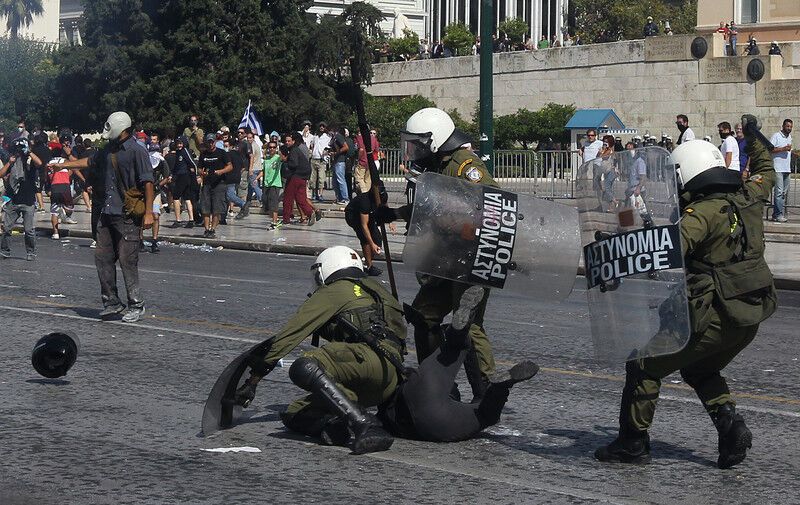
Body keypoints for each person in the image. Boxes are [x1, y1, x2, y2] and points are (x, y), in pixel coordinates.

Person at [595, 115, 778, 469]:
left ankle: (632, 443)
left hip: (712, 314)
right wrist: (754, 136)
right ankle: (730, 428)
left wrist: (617, 251)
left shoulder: (701, 213)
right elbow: (767, 170)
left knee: (644, 365)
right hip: (750, 314)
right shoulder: (749, 196)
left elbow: (666, 247)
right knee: (699, 369)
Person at [375, 107, 498, 401]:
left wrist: (455, 219)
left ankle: (487, 392)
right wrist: (394, 213)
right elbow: (428, 208)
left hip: (472, 256)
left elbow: (493, 202)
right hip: (446, 259)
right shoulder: (436, 167)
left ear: (436, 140)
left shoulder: (463, 164)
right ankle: (438, 385)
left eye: (418, 144)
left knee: (467, 325)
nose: (414, 151)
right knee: (423, 316)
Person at [233, 246, 403, 454]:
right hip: (388, 379)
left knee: (306, 364)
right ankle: (338, 422)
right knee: (294, 413)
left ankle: (363, 425)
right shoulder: (378, 290)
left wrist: (253, 379)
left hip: (367, 361)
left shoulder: (335, 289)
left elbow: (289, 336)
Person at [379, 286, 538, 442]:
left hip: (425, 413)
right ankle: (457, 336)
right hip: (415, 392)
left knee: (486, 416)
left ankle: (500, 388)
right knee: (454, 348)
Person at [52, 111, 155, 323]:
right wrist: (63, 164)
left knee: (128, 260)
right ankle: (112, 302)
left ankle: (136, 304)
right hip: (106, 212)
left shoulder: (137, 150)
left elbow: (148, 182)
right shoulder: (108, 150)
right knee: (102, 257)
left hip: (127, 214)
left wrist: (148, 213)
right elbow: (89, 162)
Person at [0, 138, 43, 261]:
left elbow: (39, 163)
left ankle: (31, 252)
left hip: (28, 200)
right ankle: (5, 251)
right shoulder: (13, 162)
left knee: (29, 230)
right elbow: (1, 174)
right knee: (7, 228)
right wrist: (9, 162)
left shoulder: (30, 161)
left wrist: (28, 151)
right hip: (13, 200)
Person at [344, 182, 387, 276]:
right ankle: (369, 266)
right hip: (353, 215)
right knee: (366, 239)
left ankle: (367, 260)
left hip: (368, 214)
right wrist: (371, 244)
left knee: (377, 239)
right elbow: (364, 225)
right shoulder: (365, 201)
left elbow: (384, 206)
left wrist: (390, 222)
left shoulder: (383, 195)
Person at [198, 133, 232, 238]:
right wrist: (202, 173)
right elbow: (199, 168)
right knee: (205, 208)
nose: (210, 144)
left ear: (215, 142)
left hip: (219, 183)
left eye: (212, 141)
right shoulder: (203, 154)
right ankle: (206, 229)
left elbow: (230, 166)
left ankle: (213, 229)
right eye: (209, 142)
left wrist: (221, 171)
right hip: (207, 183)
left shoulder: (221, 153)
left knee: (217, 208)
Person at [282, 132, 316, 226]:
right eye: (286, 141)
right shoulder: (298, 150)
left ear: (293, 141)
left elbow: (294, 164)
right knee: (301, 198)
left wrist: (286, 162)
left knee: (288, 198)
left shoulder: (293, 151)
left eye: (289, 141)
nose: (287, 143)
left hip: (295, 176)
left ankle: (286, 219)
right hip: (303, 177)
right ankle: (310, 212)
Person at [166, 136, 197, 228]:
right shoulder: (178, 152)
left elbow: (192, 163)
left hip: (184, 176)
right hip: (180, 176)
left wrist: (196, 175)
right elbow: (177, 166)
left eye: (180, 143)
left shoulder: (185, 151)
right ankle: (191, 220)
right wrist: (172, 174)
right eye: (177, 143)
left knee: (176, 197)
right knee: (187, 198)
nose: (179, 145)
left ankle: (178, 220)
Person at [770, 119, 793, 222]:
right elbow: (770, 149)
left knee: (783, 193)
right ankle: (778, 215)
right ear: (783, 126)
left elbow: (788, 151)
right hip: (778, 168)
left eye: (791, 127)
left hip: (786, 168)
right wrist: (783, 149)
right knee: (779, 192)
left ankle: (776, 214)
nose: (789, 128)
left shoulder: (789, 137)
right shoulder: (776, 136)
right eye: (787, 126)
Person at [257, 140, 283, 229]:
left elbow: (283, 157)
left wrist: (278, 150)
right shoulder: (266, 159)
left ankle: (274, 222)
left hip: (275, 183)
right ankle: (275, 219)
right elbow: (264, 171)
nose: (272, 149)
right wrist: (257, 178)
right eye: (270, 147)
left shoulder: (278, 158)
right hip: (266, 184)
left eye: (273, 147)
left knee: (274, 203)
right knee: (266, 203)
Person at [310, 122, 331, 202]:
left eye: (323, 126)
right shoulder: (315, 137)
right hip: (314, 158)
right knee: (313, 178)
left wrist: (326, 152)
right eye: (320, 126)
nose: (321, 127)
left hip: (321, 159)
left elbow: (329, 147)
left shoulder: (327, 137)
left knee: (321, 178)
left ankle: (320, 194)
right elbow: (312, 145)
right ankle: (314, 194)